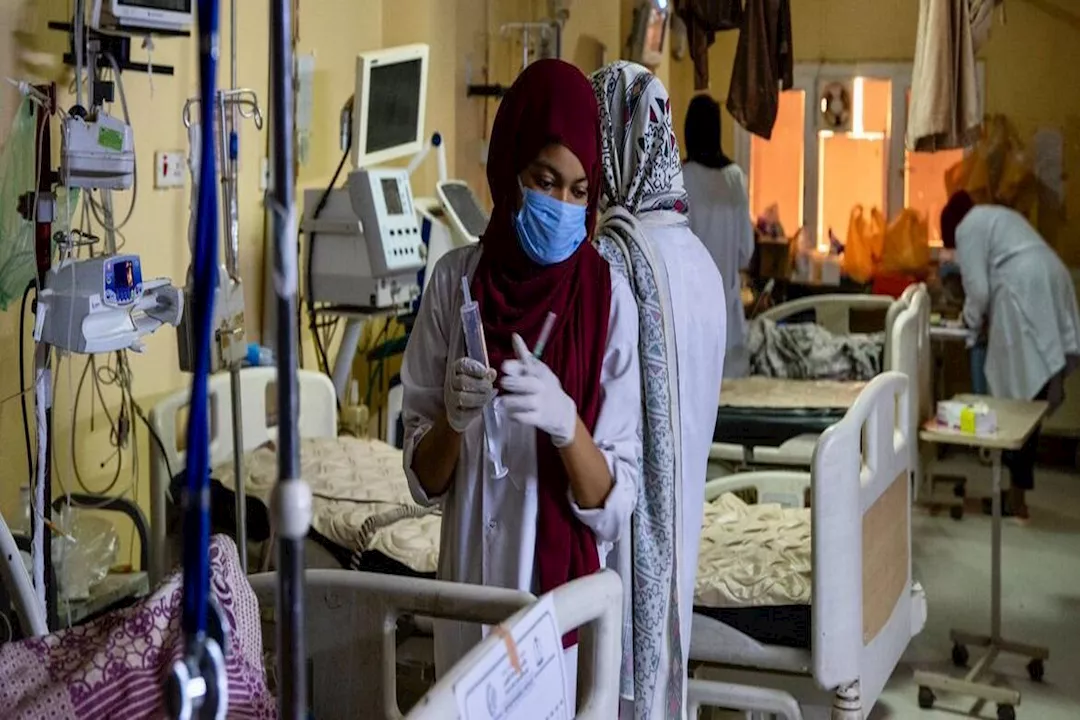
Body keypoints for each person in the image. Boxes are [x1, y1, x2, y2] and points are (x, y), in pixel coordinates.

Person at [400, 58, 642, 699]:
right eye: (545, 180)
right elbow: (424, 481)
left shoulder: (606, 300)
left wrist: (567, 426)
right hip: (468, 594)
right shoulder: (455, 284)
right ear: (511, 169)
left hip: (559, 616)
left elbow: (614, 506)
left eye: (579, 191)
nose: (561, 205)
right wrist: (453, 424)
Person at [591, 61, 726, 720]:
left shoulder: (616, 262)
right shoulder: (697, 258)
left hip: (621, 528)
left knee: (614, 688)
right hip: (681, 515)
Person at [941, 191, 1080, 519]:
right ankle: (1017, 494)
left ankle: (1016, 499)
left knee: (1018, 403)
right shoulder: (994, 217)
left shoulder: (967, 227)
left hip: (1026, 289)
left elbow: (978, 291)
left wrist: (967, 322)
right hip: (1050, 278)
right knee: (1032, 395)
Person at [682, 93, 755, 377]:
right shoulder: (735, 178)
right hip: (730, 323)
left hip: (690, 321)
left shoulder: (681, 178)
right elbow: (745, 252)